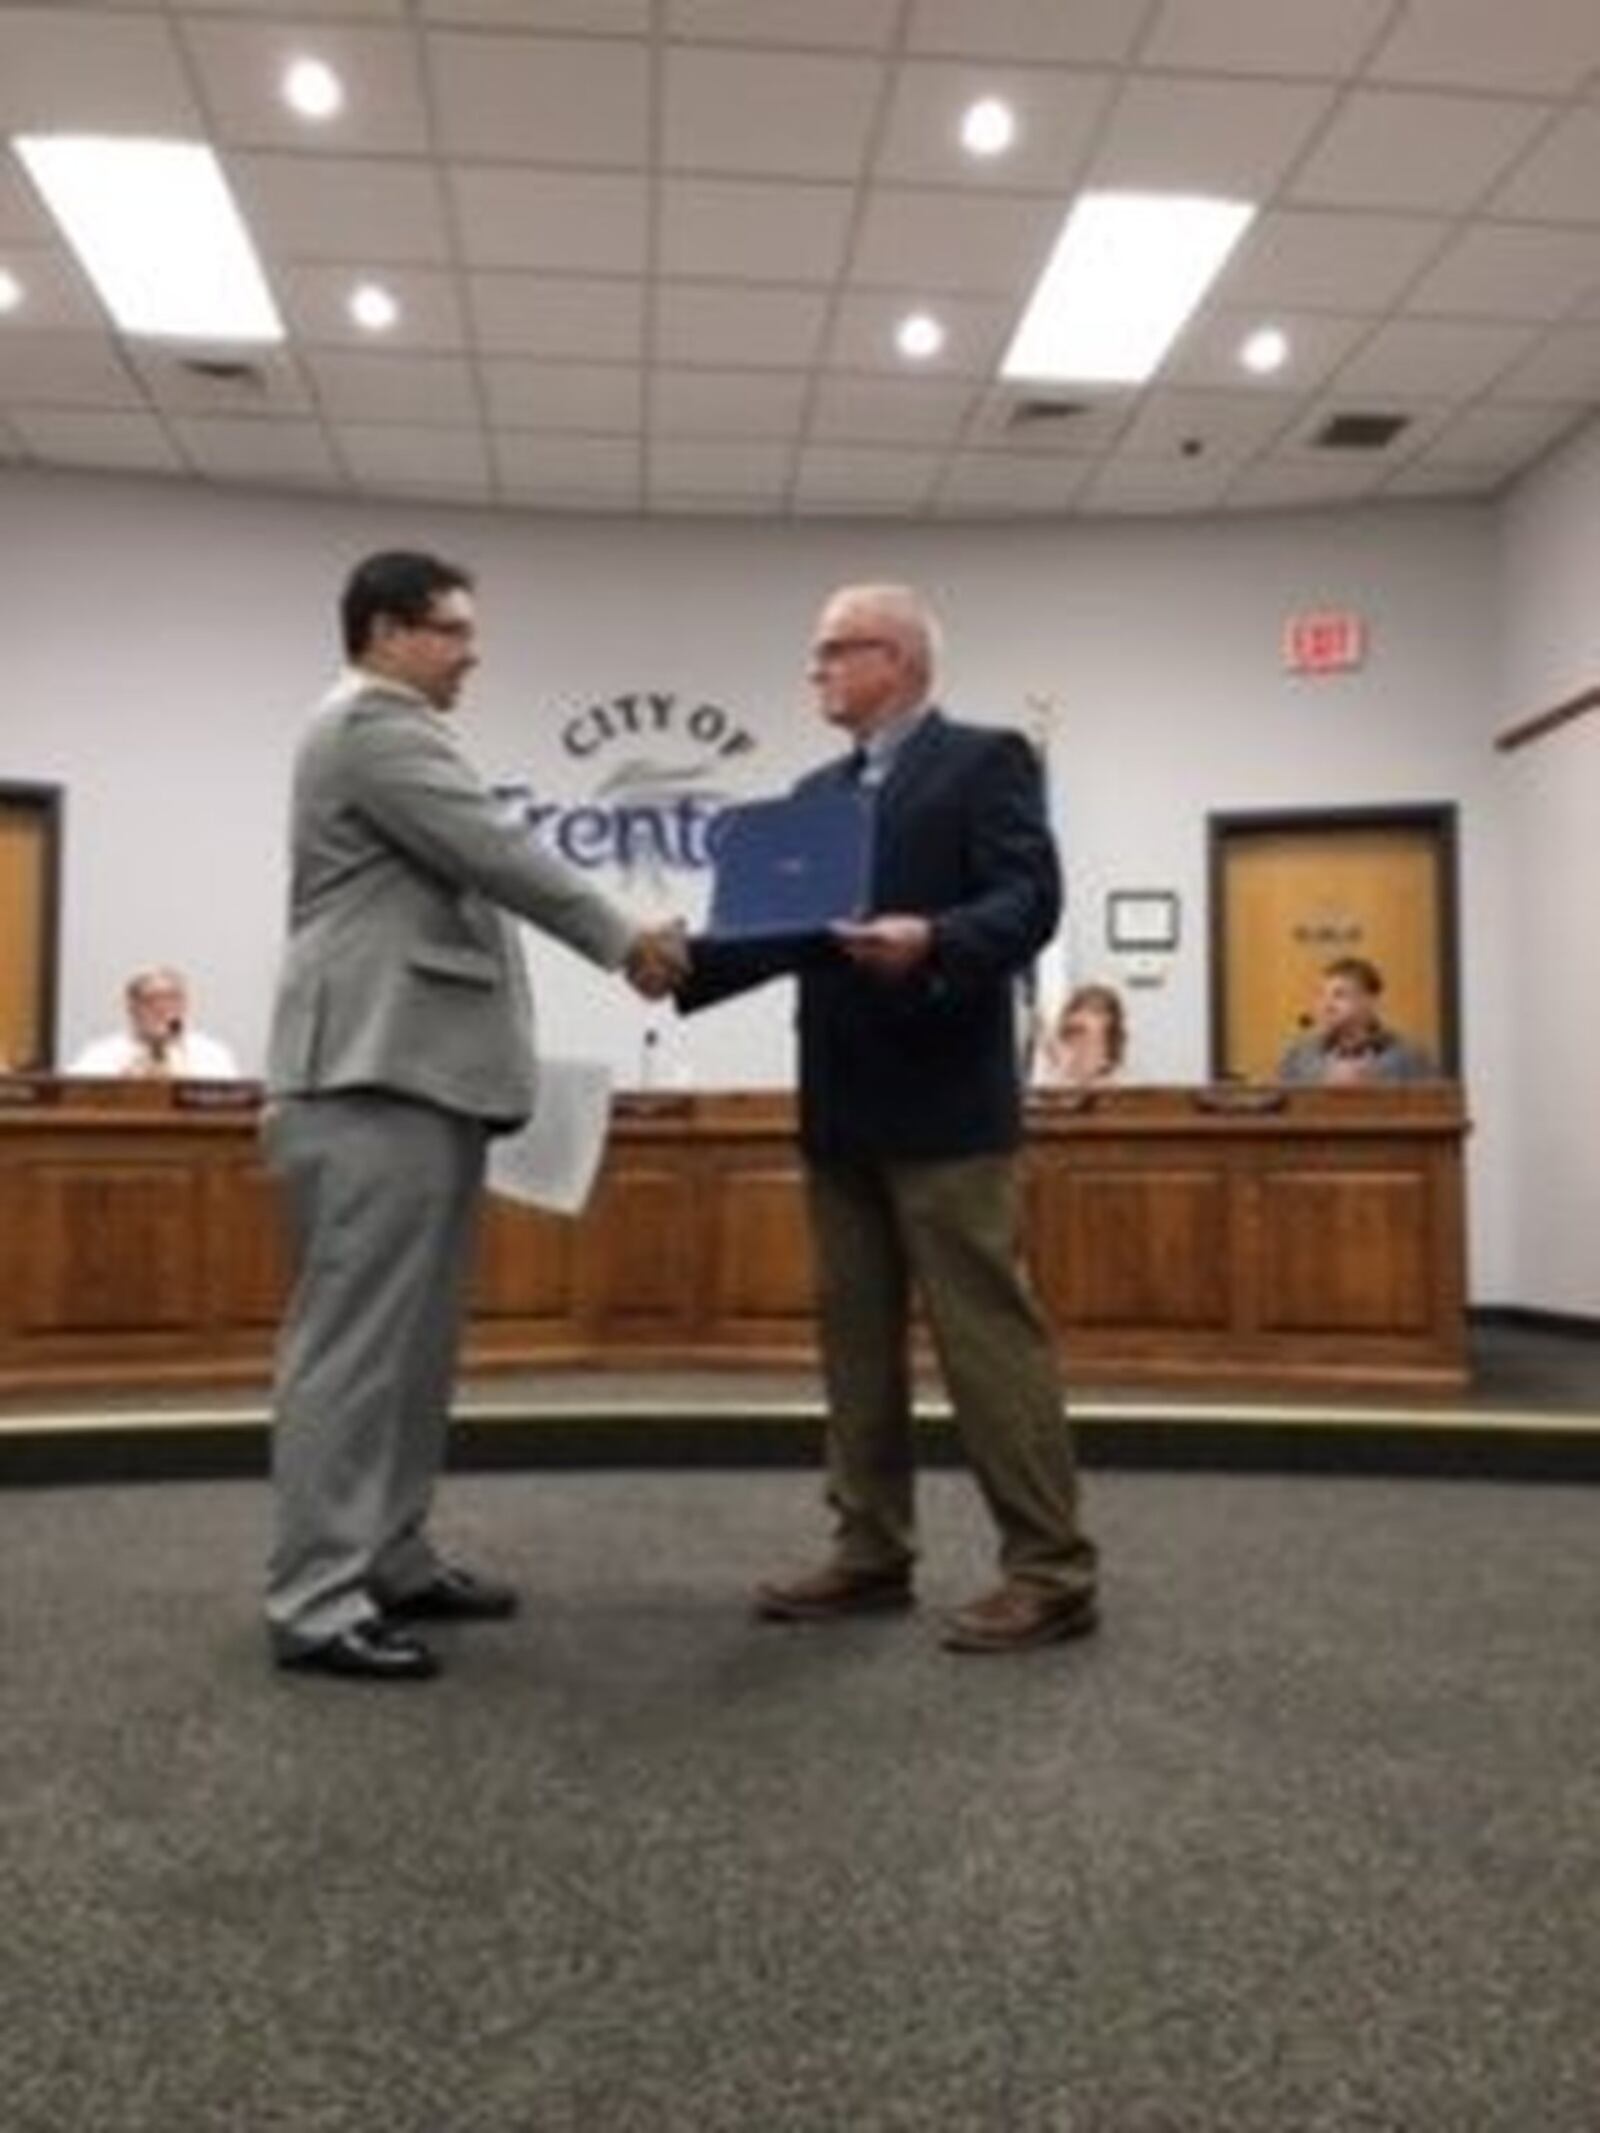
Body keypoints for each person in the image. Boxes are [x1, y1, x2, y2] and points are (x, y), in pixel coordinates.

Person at [263, 548, 685, 1683]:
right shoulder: (373, 725)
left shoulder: (391, 727)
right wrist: (625, 940)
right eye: (451, 630)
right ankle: (313, 1599)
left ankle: (388, 1557)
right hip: (368, 1080)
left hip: (417, 1082)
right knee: (352, 1353)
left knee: (413, 1348)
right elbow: (501, 855)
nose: (471, 651)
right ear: (385, 631)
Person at [676, 582, 1098, 1654]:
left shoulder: (988, 759)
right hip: (842, 1107)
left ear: (897, 660)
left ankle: (1050, 1572)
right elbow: (781, 930)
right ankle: (870, 1555)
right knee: (853, 1342)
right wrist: (679, 961)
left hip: (949, 1110)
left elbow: (1028, 904)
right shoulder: (813, 789)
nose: (813, 669)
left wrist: (936, 940)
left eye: (832, 651)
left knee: (985, 1342)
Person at [1277, 956, 1436, 1084]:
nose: (1326, 1005)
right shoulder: (1299, 1054)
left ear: (1369, 1001)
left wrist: (1373, 1081)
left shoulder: (1409, 1055)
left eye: (1339, 995)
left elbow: (1431, 1111)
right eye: (1321, 995)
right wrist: (1325, 1082)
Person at [68, 967, 240, 1078]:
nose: (162, 1009)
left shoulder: (212, 1055)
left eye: (171, 999)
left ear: (185, 1006)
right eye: (151, 1000)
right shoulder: (100, 1056)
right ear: (131, 1007)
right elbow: (72, 1097)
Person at [1032, 981, 1126, 1089]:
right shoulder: (1059, 1065)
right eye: (1077, 1011)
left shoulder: (1109, 1082)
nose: (1080, 1017)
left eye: (1094, 1012)